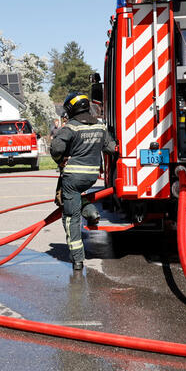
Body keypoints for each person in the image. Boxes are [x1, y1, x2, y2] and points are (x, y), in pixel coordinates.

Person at [49, 92, 117, 271]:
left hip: (72, 177)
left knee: (70, 217)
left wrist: (61, 159)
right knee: (76, 197)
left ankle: (77, 259)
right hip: (91, 176)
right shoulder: (100, 126)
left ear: (71, 109)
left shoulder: (71, 127)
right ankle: (91, 212)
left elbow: (56, 148)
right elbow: (111, 148)